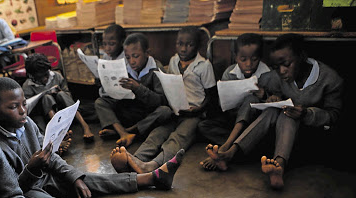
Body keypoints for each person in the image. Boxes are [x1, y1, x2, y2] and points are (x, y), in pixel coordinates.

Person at [0, 77, 186, 198]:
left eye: (24, 104)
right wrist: (32, 169)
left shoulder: (26, 123)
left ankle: (151, 178)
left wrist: (74, 178)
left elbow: (51, 156)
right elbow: (12, 194)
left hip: (45, 181)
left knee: (87, 177)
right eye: (13, 107)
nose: (22, 111)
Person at [203, 33, 343, 189]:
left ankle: (278, 166)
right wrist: (271, 97)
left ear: (302, 56)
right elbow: (269, 93)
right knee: (272, 111)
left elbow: (334, 116)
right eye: (277, 67)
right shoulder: (277, 76)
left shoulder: (330, 79)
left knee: (287, 116)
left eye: (286, 64)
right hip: (280, 134)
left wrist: (306, 113)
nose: (282, 71)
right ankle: (230, 153)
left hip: (309, 137)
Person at [110, 27, 216, 173]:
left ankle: (153, 164)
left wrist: (197, 110)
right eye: (180, 44)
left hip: (194, 114)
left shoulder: (204, 65)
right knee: (157, 134)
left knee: (177, 138)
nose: (183, 49)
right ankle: (135, 159)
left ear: (197, 46)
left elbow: (211, 96)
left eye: (189, 44)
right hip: (175, 109)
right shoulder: (173, 61)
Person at [198, 33, 270, 170]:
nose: (249, 64)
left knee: (250, 100)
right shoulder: (229, 73)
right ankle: (242, 147)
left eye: (254, 59)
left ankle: (225, 147)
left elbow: (274, 102)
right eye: (243, 59)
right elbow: (223, 104)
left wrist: (264, 94)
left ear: (260, 58)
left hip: (253, 124)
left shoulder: (268, 74)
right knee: (203, 126)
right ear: (235, 57)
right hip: (233, 120)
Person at [95, 32, 172, 147]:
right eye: (128, 57)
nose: (131, 61)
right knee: (100, 102)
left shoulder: (156, 70)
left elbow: (160, 101)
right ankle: (122, 132)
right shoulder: (125, 68)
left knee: (165, 111)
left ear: (147, 53)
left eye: (136, 56)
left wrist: (137, 88)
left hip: (146, 114)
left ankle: (127, 131)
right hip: (129, 110)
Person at [22, 53, 93, 150]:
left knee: (62, 94)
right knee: (46, 98)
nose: (44, 79)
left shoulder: (57, 76)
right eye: (40, 77)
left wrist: (59, 91)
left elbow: (68, 95)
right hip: (46, 117)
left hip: (64, 110)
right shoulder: (27, 87)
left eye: (46, 75)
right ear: (32, 76)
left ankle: (85, 126)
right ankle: (59, 132)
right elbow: (30, 109)